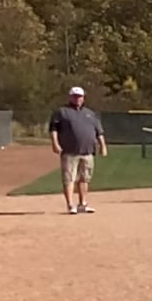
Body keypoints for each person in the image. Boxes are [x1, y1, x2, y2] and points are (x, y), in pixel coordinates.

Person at [49, 86, 105, 215]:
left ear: (83, 98)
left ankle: (82, 204)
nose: (77, 99)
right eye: (75, 96)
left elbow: (98, 131)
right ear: (70, 97)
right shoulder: (62, 112)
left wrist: (102, 145)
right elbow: (54, 129)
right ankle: (70, 205)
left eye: (80, 96)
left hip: (87, 151)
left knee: (84, 178)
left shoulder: (90, 113)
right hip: (70, 151)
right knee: (69, 178)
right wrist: (55, 143)